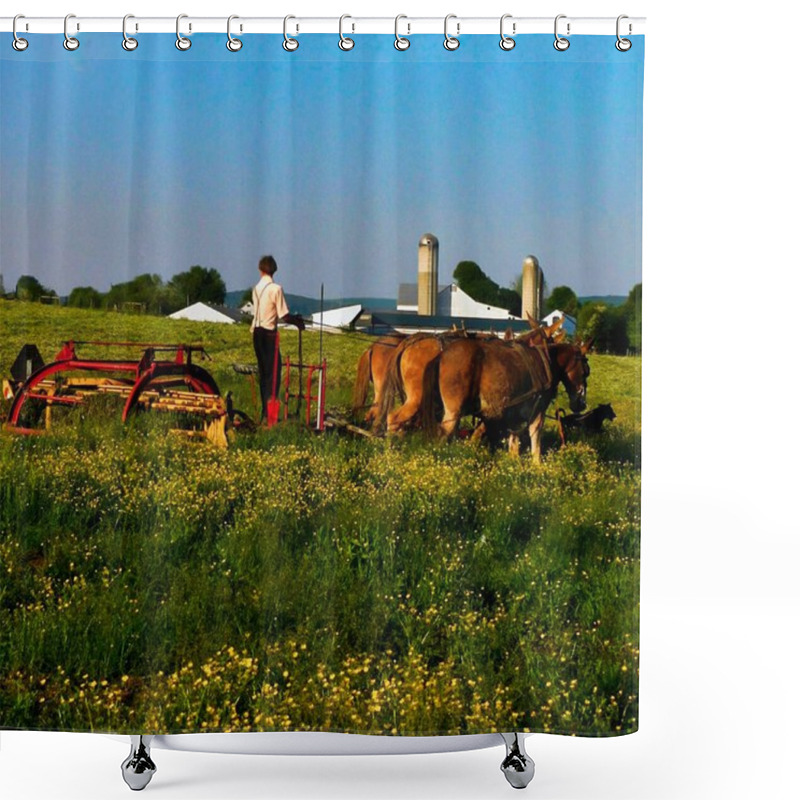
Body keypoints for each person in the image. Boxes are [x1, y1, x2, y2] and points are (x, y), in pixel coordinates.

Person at [250, 255, 305, 423]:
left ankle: (265, 413)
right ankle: (271, 416)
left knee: (264, 374)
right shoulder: (276, 289)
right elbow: (284, 316)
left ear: (261, 270)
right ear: (273, 270)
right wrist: (298, 322)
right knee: (273, 375)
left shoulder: (256, 289)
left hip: (256, 333)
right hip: (268, 335)